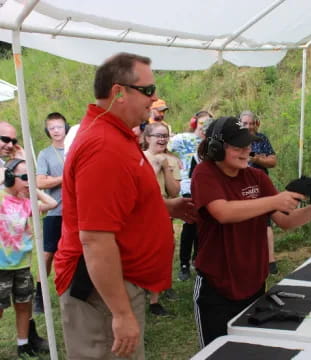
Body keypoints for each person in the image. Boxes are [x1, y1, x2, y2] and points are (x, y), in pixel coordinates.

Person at [54, 52, 196, 359]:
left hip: (112, 283)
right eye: (147, 90)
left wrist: (164, 208)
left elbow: (121, 203)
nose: (154, 98)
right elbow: (94, 238)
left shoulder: (114, 135)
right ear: (119, 92)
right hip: (101, 291)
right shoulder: (104, 146)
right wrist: (120, 313)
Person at [191, 117, 311, 347]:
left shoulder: (257, 177)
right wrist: (273, 201)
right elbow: (223, 212)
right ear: (216, 148)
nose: (246, 152)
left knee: (251, 350)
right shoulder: (205, 173)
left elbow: (285, 220)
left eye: (248, 146)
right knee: (217, 352)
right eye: (237, 147)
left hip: (253, 282)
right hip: (217, 284)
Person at [0, 158, 57, 357]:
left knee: (23, 305)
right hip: (1, 267)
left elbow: (52, 203)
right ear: (8, 178)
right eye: (24, 177)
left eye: (31, 177)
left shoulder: (27, 202)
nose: (28, 181)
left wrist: (33, 187)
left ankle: (23, 344)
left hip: (22, 265)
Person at [143, 122, 181, 316]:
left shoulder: (172, 160)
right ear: (147, 138)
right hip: (140, 213)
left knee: (163, 252)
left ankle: (155, 299)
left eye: (165, 135)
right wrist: (154, 167)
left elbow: (175, 192)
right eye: (158, 135)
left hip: (163, 211)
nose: (162, 139)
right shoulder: (139, 158)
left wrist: (165, 168)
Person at [170, 111, 212, 281]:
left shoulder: (212, 144)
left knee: (203, 225)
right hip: (187, 184)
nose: (204, 127)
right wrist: (171, 161)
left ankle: (197, 259)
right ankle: (184, 264)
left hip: (205, 186)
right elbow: (164, 144)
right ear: (194, 123)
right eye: (202, 123)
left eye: (208, 124)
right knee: (190, 224)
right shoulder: (182, 138)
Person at [34, 112, 68, 314]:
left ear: (66, 127)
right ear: (48, 131)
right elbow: (40, 182)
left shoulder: (75, 148)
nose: (56, 130)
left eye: (59, 126)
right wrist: (64, 178)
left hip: (77, 211)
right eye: (52, 128)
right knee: (48, 254)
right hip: (55, 211)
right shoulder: (45, 154)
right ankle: (40, 294)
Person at [239, 110, 279, 274]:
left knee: (265, 222)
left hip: (261, 185)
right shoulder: (234, 140)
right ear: (239, 124)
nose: (248, 126)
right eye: (245, 123)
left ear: (256, 124)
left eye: (251, 123)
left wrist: (256, 158)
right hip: (240, 186)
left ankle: (270, 260)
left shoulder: (262, 139)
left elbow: (273, 161)